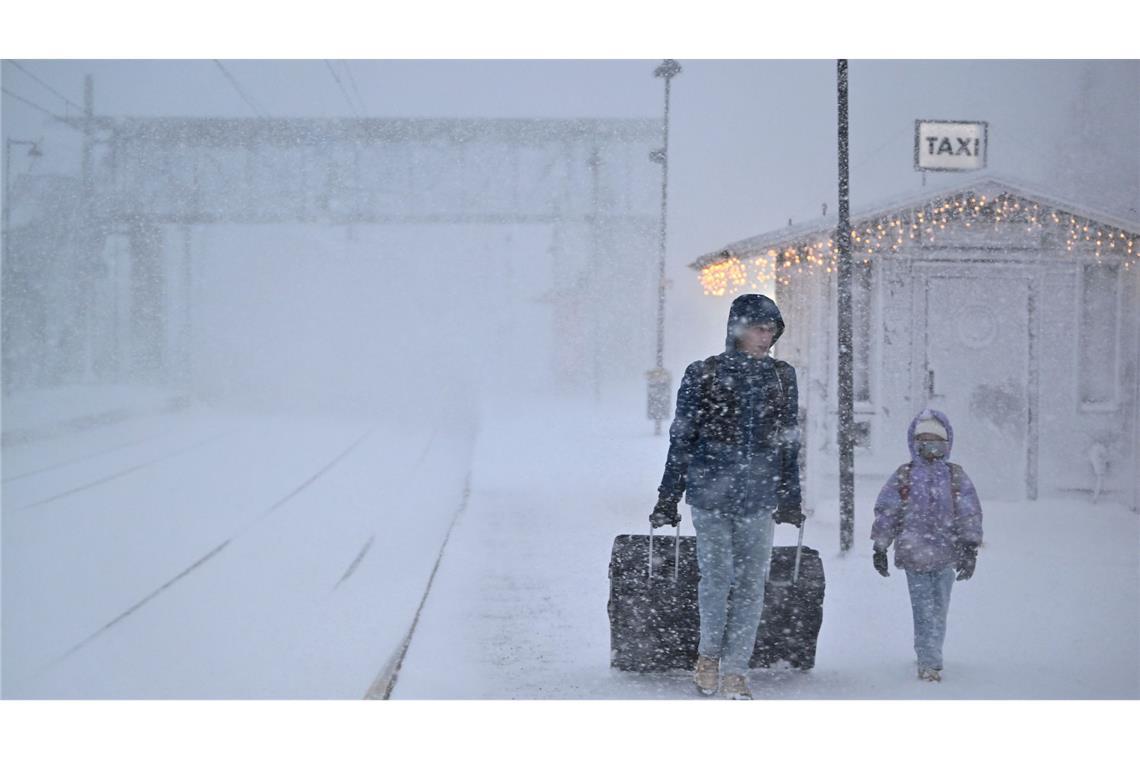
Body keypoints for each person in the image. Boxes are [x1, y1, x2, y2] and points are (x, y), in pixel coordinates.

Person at [651, 293, 804, 699]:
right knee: (716, 580)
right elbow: (681, 438)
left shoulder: (781, 377)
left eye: (772, 330)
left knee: (752, 584)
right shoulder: (704, 374)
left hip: (759, 496)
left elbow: (790, 440)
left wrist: (790, 495)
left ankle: (737, 669)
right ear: (737, 329)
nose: (766, 338)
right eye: (759, 328)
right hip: (710, 495)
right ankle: (708, 657)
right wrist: (669, 495)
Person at [871, 409, 983, 682]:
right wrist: (880, 546)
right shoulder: (905, 476)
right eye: (924, 440)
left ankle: (930, 652)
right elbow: (888, 511)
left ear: (947, 443)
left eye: (936, 440)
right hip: (914, 556)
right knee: (923, 609)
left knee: (939, 608)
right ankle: (929, 661)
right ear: (914, 442)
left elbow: (969, 512)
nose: (930, 445)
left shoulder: (955, 476)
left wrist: (969, 548)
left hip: (946, 555)